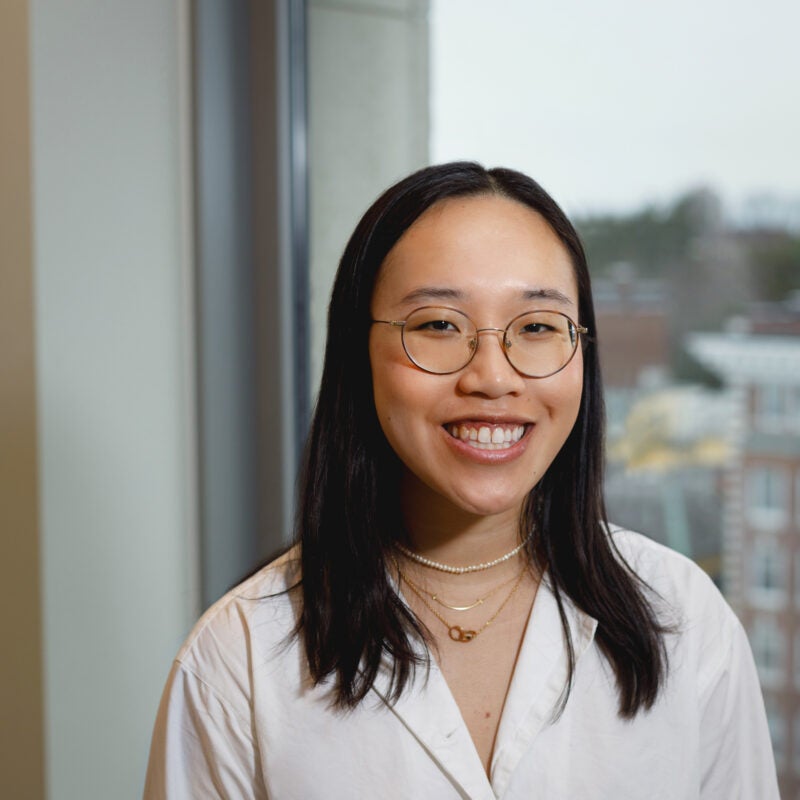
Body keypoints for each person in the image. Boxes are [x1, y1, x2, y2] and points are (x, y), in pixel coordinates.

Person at [144, 163, 778, 799]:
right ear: (355, 352)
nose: (493, 378)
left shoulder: (686, 623)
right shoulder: (238, 659)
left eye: (536, 327)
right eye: (440, 325)